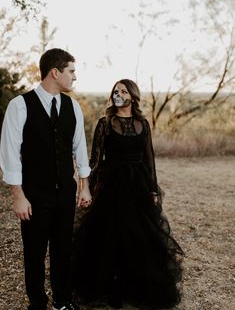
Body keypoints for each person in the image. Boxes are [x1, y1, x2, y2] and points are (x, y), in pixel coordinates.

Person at [71, 79, 184, 309]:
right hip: (111, 186)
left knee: (139, 237)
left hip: (138, 186)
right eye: (115, 91)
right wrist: (87, 189)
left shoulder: (143, 123)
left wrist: (153, 189)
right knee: (109, 236)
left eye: (123, 91)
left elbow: (150, 159)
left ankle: (136, 288)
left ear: (133, 96)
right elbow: (95, 160)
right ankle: (107, 288)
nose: (118, 94)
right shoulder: (105, 123)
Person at [0, 48, 92, 310]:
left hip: (65, 193)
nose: (75, 77)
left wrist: (83, 187)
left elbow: (80, 149)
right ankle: (38, 304)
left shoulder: (73, 107)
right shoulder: (20, 105)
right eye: (71, 71)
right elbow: (10, 154)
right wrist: (18, 195)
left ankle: (62, 301)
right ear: (55, 72)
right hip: (34, 195)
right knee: (35, 253)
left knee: (63, 251)